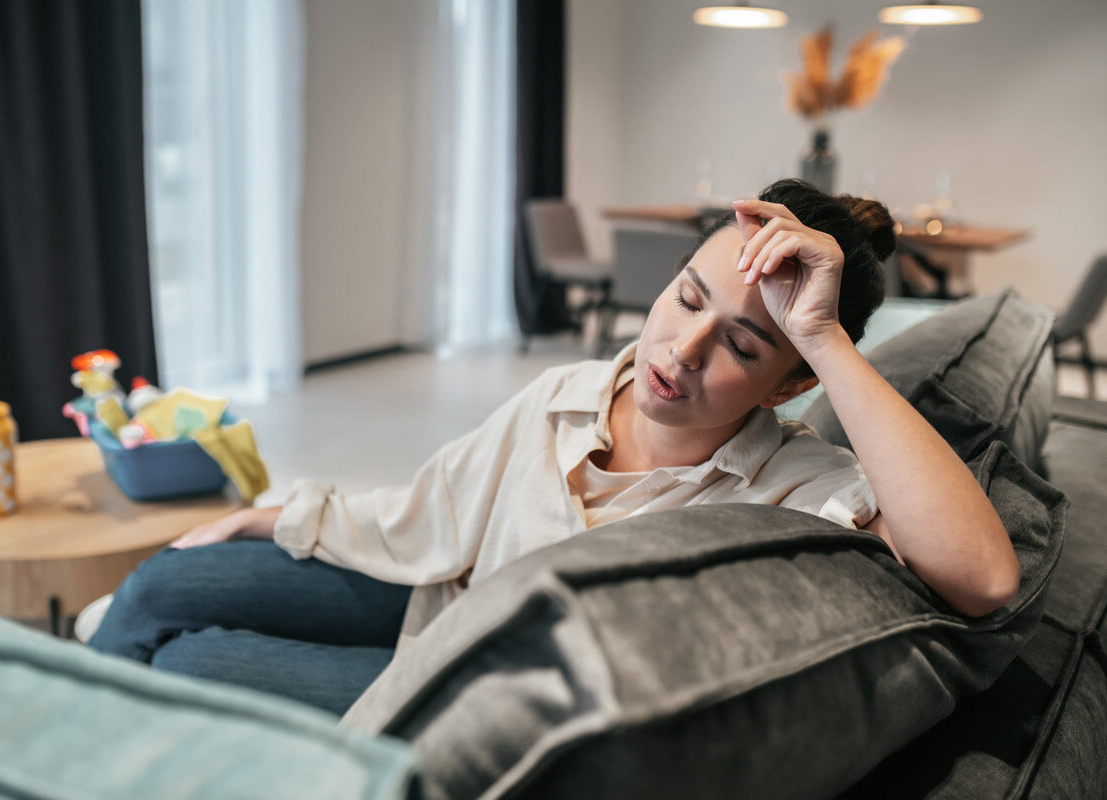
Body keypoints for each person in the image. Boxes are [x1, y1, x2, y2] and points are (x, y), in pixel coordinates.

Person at [89, 180, 1019, 715]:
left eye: (743, 346)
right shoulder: (575, 389)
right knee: (162, 584)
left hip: (469, 690)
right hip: (434, 602)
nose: (681, 351)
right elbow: (434, 508)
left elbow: (982, 577)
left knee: (185, 661)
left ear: (789, 384)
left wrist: (824, 337)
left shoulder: (791, 486)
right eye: (689, 300)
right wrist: (282, 513)